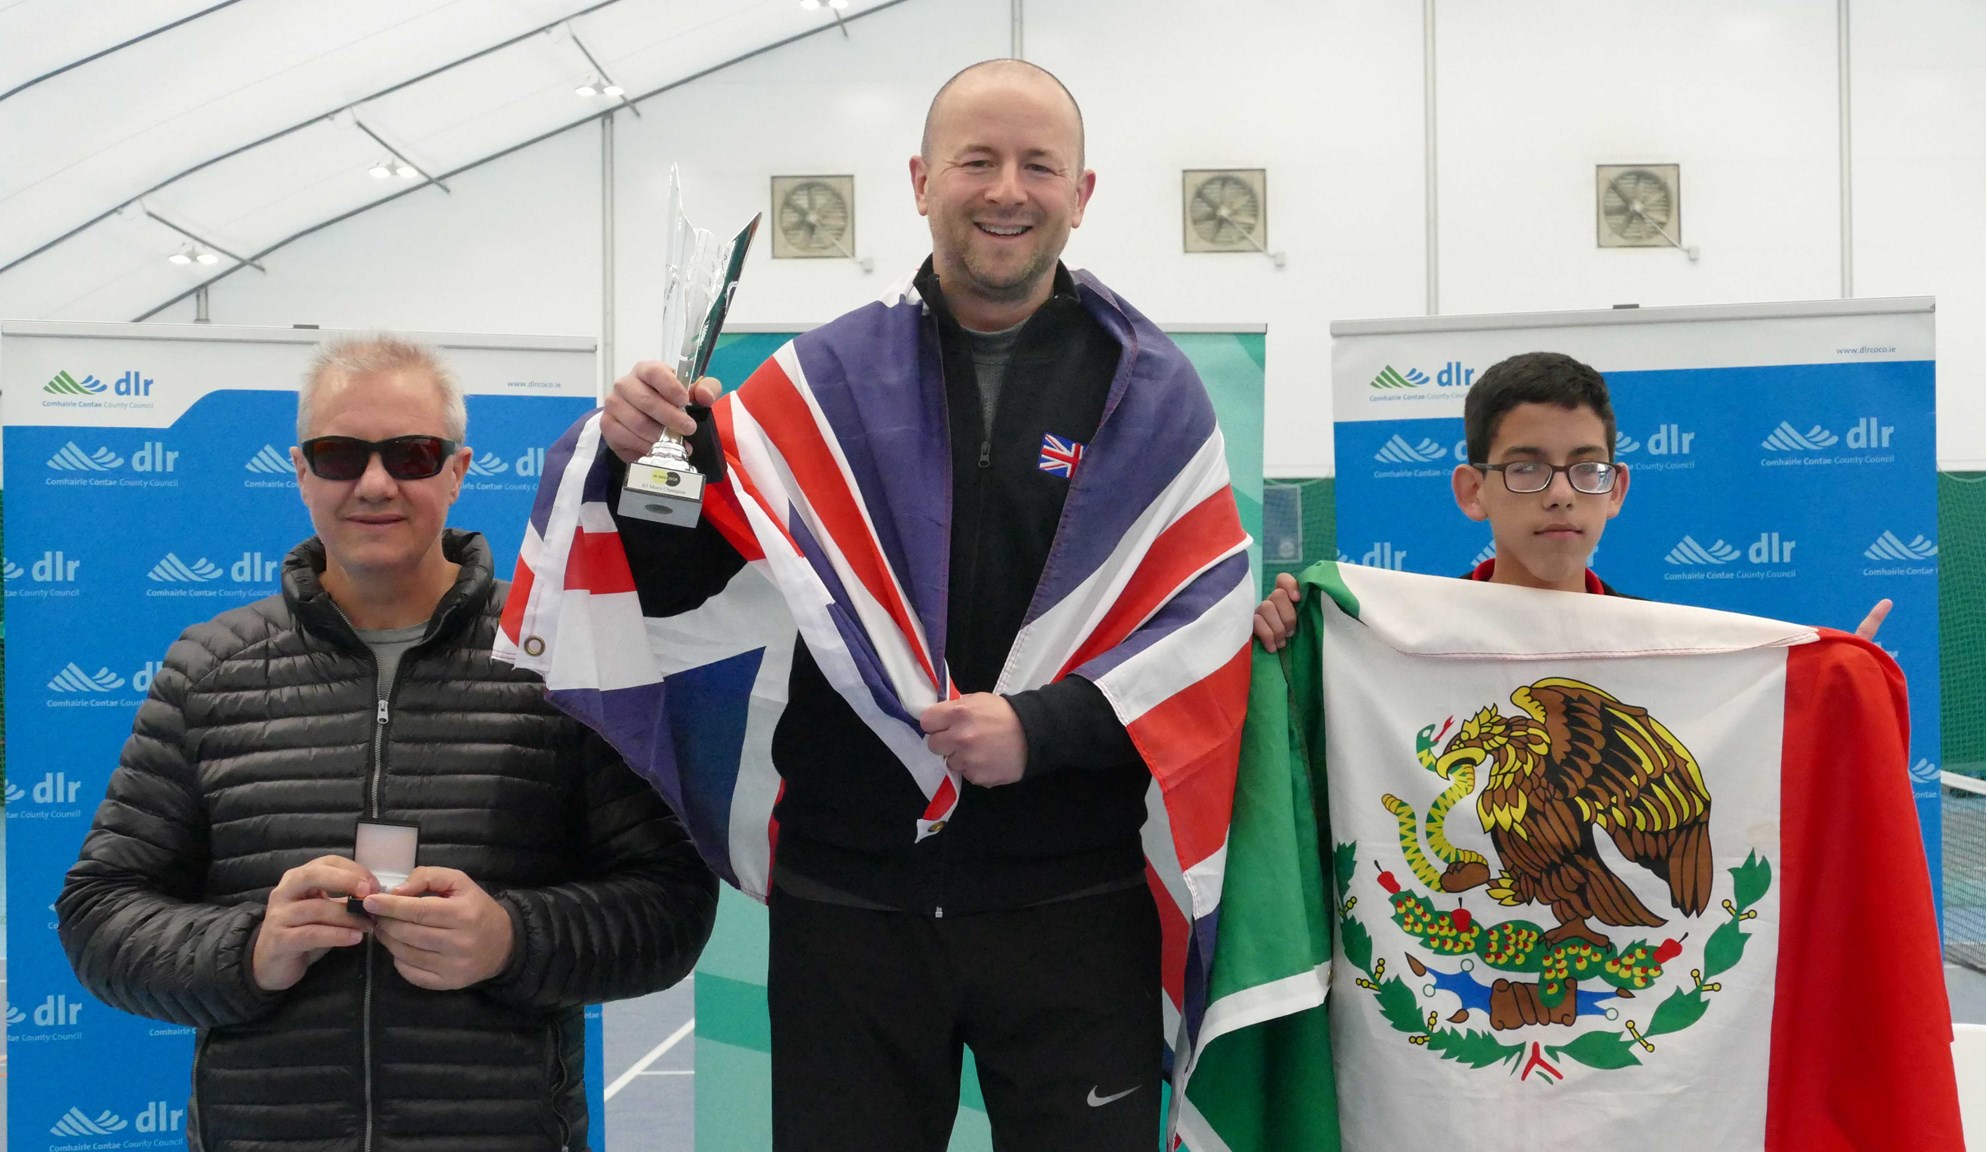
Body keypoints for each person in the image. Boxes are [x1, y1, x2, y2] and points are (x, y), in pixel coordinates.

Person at [590, 59, 1249, 1152]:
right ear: (920, 180)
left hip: (1070, 906)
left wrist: (1039, 732)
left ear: (1081, 194)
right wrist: (643, 463)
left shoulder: (1151, 390)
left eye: (1038, 165)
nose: (1006, 190)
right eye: (975, 161)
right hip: (850, 908)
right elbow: (684, 586)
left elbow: (1196, 638)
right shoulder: (817, 380)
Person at [57, 335, 719, 1152]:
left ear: (457, 470)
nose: (374, 484)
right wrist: (251, 948)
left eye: (409, 454)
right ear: (300, 472)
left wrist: (510, 939)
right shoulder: (209, 671)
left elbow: (669, 910)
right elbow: (98, 915)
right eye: (340, 455)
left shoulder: (558, 660)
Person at [1254, 351, 1892, 645]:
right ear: (1473, 491)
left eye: (1585, 470)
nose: (1561, 496)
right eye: (1527, 470)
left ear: (1614, 490)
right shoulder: (1396, 643)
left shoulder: (1666, 647)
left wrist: (1841, 687)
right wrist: (1286, 651)